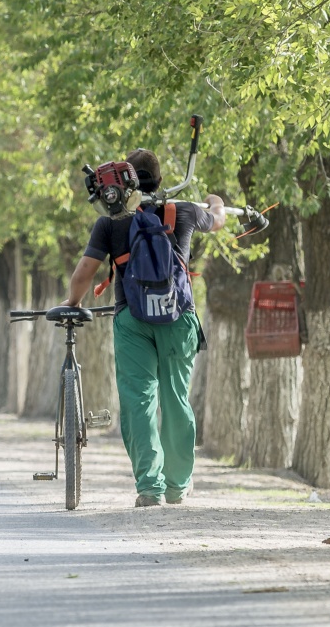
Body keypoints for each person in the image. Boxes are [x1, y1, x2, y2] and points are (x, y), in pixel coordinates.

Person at [60, 148, 226, 508]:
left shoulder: (109, 223)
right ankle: (178, 486)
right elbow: (218, 219)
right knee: (176, 400)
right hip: (178, 317)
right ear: (160, 180)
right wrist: (216, 201)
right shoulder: (183, 211)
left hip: (132, 321)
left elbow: (84, 273)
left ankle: (149, 487)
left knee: (139, 402)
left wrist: (73, 303)